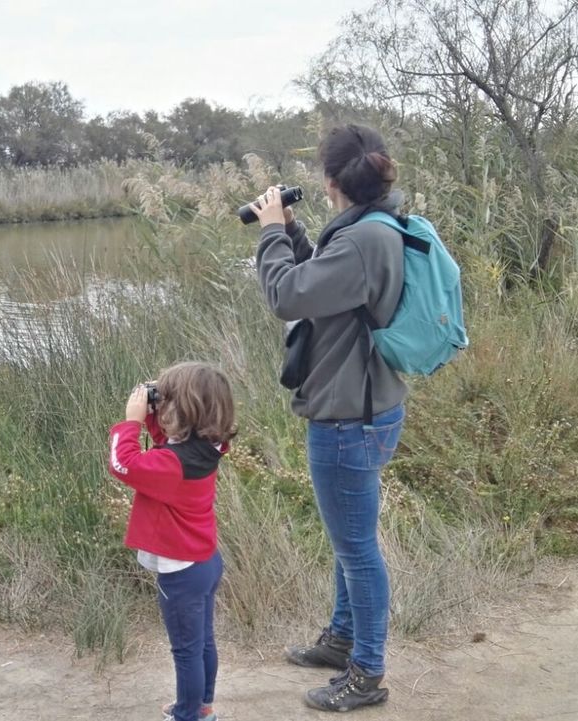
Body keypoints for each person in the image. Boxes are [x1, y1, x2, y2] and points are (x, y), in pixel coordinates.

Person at [250, 123, 408, 712]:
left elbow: (287, 297)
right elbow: (326, 285)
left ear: (330, 181)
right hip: (370, 405)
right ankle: (343, 639)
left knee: (358, 549)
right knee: (350, 541)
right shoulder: (374, 228)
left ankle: (366, 673)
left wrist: (269, 235)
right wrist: (292, 232)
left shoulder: (362, 241)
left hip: (348, 417)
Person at [106, 362, 236, 721]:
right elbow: (169, 442)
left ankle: (188, 715)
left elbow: (122, 463)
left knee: (186, 651)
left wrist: (131, 422)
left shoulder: (171, 464)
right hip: (205, 562)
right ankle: (201, 705)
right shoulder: (211, 444)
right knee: (203, 642)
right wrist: (155, 412)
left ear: (181, 412)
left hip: (180, 572)